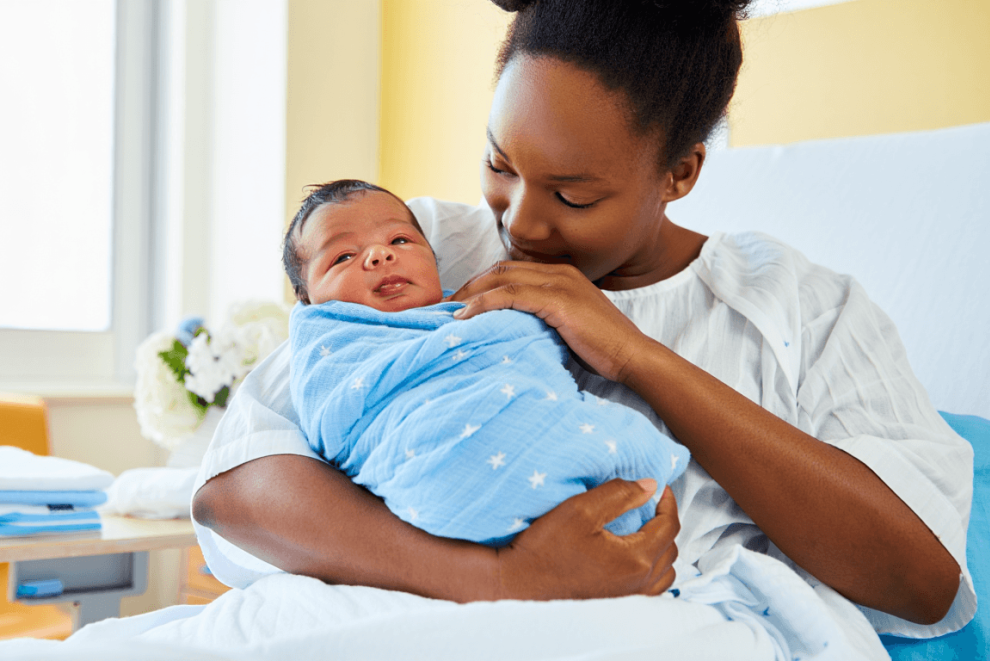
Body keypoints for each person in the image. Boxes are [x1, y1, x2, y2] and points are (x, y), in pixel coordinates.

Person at [192, 0, 973, 656]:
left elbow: (923, 580)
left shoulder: (804, 310)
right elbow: (240, 489)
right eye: (500, 164)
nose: (521, 221)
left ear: (680, 172)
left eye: (572, 195)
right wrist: (500, 579)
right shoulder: (420, 249)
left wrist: (638, 356)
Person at [281, 179, 690, 546]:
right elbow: (332, 419)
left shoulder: (471, 310)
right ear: (307, 299)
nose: (378, 255)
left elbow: (525, 351)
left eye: (401, 241)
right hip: (430, 465)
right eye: (342, 257)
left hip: (531, 424)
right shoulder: (329, 345)